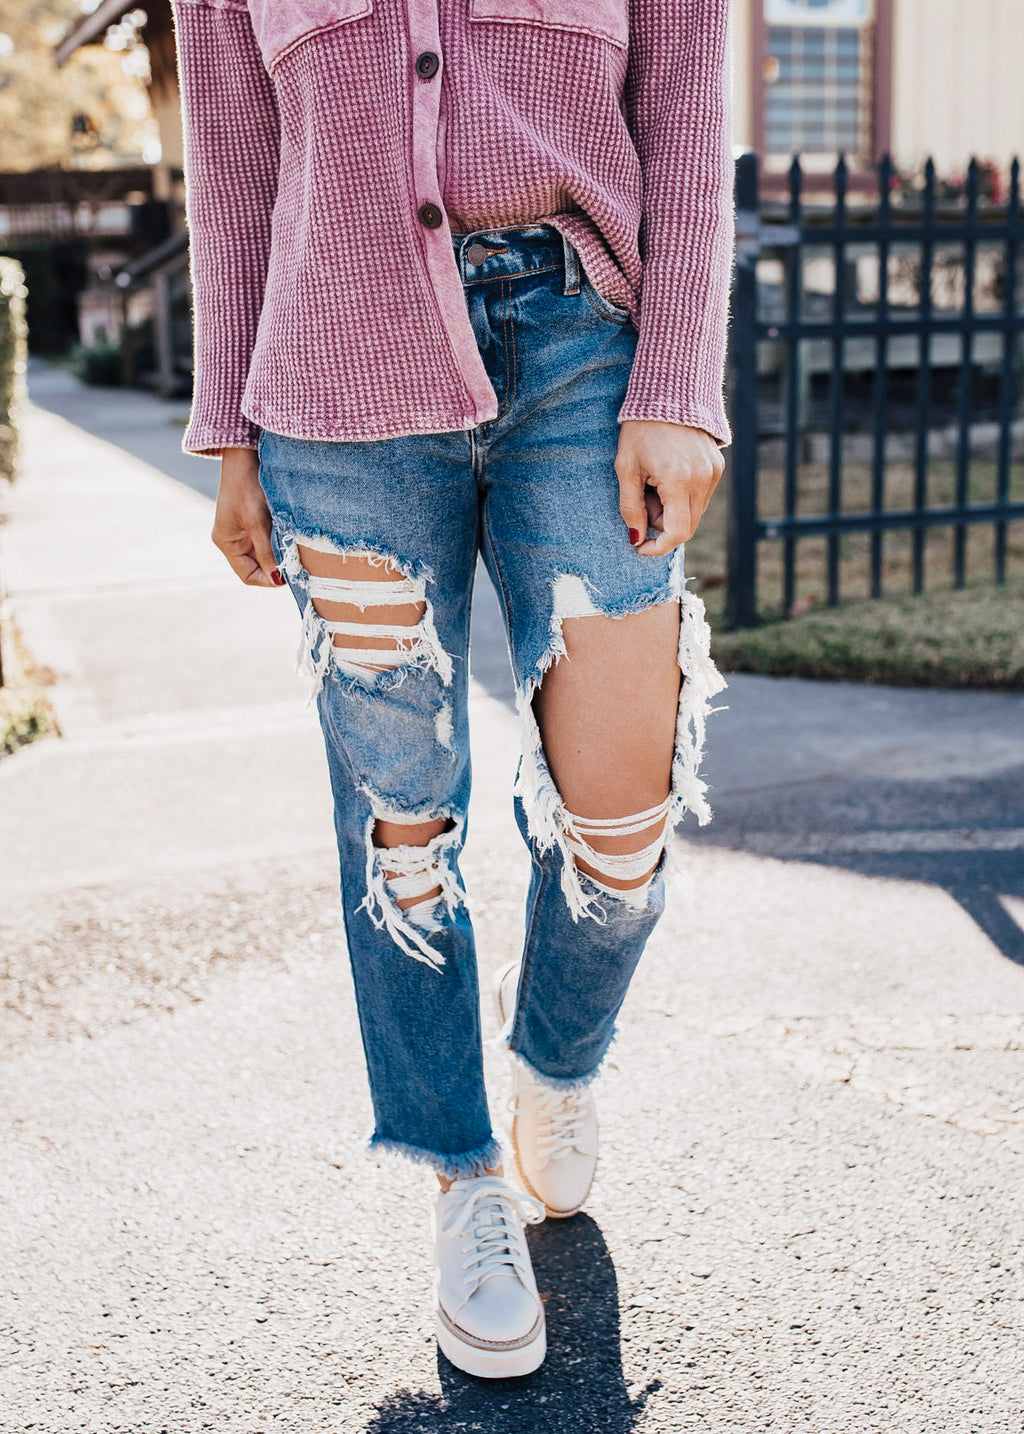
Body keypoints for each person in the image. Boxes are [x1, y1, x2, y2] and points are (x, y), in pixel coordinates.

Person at [171, 0, 734, 1379]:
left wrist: (681, 381)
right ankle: (462, 1171)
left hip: (585, 355)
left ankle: (555, 1052)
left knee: (621, 822)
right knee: (402, 828)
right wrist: (227, 429)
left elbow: (686, 105)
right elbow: (233, 155)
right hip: (333, 378)